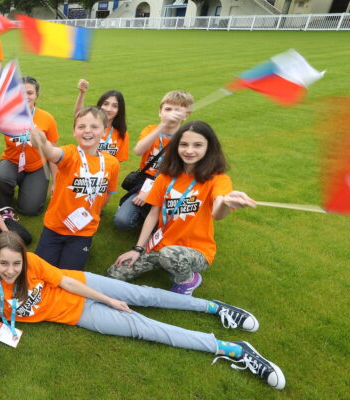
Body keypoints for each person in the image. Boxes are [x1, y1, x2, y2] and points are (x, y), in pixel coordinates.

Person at [0, 232, 285, 390]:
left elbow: (69, 283)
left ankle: (215, 307)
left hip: (85, 285)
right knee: (146, 328)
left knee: (143, 295)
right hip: (80, 315)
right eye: (4, 264)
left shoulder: (33, 263)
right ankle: (233, 349)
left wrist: (108, 298)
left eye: (16, 263)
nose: (11, 270)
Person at [107, 121, 256, 295]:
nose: (189, 150)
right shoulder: (164, 177)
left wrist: (227, 203)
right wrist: (138, 249)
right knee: (114, 274)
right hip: (161, 245)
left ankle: (188, 280)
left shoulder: (218, 179)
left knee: (170, 255)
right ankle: (169, 265)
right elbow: (153, 214)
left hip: (197, 251)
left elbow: (218, 213)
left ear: (209, 148)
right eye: (184, 144)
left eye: (198, 145)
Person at [31, 107, 120, 271]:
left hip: (83, 231)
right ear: (74, 132)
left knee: (70, 276)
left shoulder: (112, 163)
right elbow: (51, 152)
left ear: (104, 131)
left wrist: (94, 211)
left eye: (94, 126)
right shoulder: (70, 153)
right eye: (81, 127)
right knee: (41, 272)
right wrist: (41, 141)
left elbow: (108, 193)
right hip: (55, 227)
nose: (87, 131)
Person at [113, 90, 193, 231]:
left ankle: (153, 219)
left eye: (177, 110)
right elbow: (138, 151)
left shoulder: (188, 137)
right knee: (121, 222)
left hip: (171, 184)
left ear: (186, 115)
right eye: (167, 109)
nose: (171, 113)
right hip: (146, 180)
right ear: (160, 112)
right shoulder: (151, 130)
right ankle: (144, 215)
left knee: (170, 228)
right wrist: (162, 127)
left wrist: (152, 193)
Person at [0, 76, 59, 217]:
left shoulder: (47, 119)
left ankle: (27, 190)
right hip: (12, 162)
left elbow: (53, 153)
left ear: (36, 95)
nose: (25, 96)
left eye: (30, 93)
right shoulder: (6, 116)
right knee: (0, 177)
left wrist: (56, 182)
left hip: (36, 167)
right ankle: (6, 197)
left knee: (29, 210)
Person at [74, 79, 130, 162]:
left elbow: (117, 162)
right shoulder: (90, 126)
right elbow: (79, 116)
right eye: (106, 104)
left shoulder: (122, 134)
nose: (109, 109)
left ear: (119, 110)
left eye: (115, 106)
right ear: (100, 105)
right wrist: (82, 93)